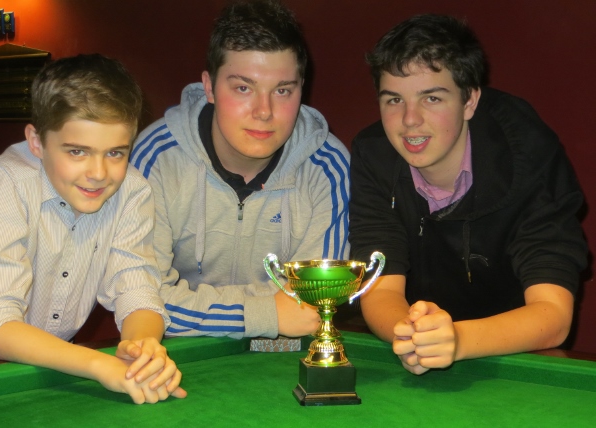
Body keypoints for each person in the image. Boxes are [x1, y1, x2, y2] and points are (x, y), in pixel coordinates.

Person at [349, 14, 587, 375]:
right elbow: (380, 290)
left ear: (470, 100)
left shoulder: (530, 152)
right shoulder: (373, 155)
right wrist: (411, 337)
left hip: (513, 360)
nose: (410, 119)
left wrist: (456, 340)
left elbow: (553, 315)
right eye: (394, 99)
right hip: (415, 350)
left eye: (431, 98)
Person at [0, 54, 186, 403]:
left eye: (115, 153)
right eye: (78, 151)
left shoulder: (133, 190)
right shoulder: (7, 181)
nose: (98, 173)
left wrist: (143, 349)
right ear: (36, 142)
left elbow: (136, 288)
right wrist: (99, 364)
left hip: (59, 364)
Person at [130, 0, 350, 340]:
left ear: (301, 90)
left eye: (282, 90)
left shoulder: (328, 167)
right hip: (176, 356)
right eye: (243, 88)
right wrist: (264, 313)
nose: (264, 111)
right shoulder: (157, 157)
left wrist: (198, 306)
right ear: (209, 87)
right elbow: (140, 300)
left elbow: (312, 306)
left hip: (282, 358)